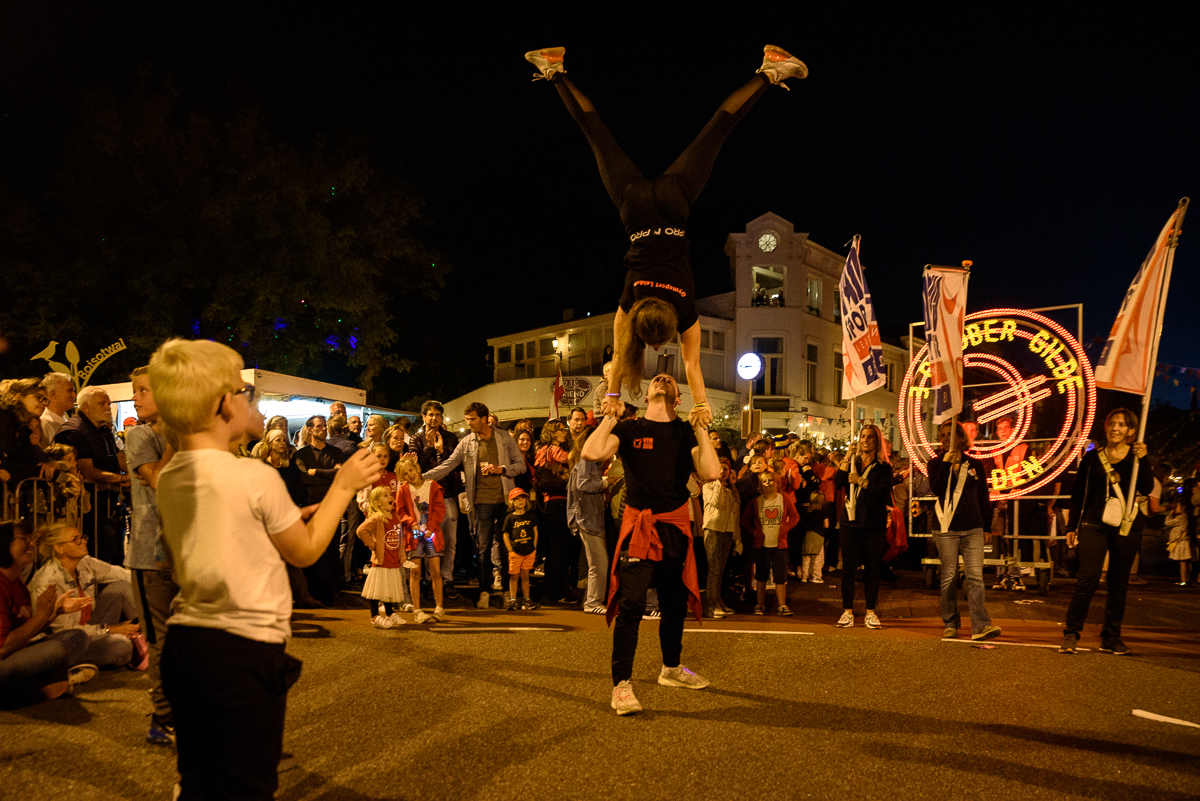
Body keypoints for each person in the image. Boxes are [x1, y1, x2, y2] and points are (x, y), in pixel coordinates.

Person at [527, 45, 807, 428]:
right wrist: (610, 395)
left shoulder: (686, 310)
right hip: (634, 208)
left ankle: (770, 71)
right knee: (595, 132)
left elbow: (691, 365)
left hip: (677, 204)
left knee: (718, 127)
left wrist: (701, 406)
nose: (660, 348)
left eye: (659, 345)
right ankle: (554, 69)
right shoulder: (631, 301)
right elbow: (626, 351)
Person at [151, 337, 380, 800]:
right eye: (244, 392)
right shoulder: (253, 475)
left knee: (200, 777)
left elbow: (195, 554)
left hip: (187, 643)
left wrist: (278, 524)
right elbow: (306, 552)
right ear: (222, 406)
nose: (252, 400)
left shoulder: (171, 476)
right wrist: (344, 485)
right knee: (247, 785)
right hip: (242, 651)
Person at [581, 372, 720, 716]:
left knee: (674, 604)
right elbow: (591, 451)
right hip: (639, 527)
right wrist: (610, 415)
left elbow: (712, 472)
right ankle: (621, 685)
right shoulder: (629, 428)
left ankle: (671, 669)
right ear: (645, 397)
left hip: (674, 527)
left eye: (670, 381)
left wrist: (701, 427)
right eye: (656, 379)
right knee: (632, 605)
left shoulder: (685, 431)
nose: (661, 379)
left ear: (677, 399)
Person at [1060, 408, 1153, 655]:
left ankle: (1111, 637)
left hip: (1127, 525)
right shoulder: (1092, 459)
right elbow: (1079, 493)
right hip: (1093, 524)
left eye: (1122, 425)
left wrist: (1145, 459)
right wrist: (1072, 526)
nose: (1115, 428)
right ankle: (1071, 633)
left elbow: (1146, 487)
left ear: (1131, 431)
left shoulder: (1137, 457)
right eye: (1112, 423)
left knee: (1118, 583)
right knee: (1087, 579)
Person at [124, 365, 180, 744]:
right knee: (161, 640)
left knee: (189, 637)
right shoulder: (139, 435)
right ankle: (163, 718)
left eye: (144, 390)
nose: (136, 397)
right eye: (135, 390)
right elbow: (158, 481)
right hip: (151, 553)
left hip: (187, 554)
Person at [423, 402, 524, 609]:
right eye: (467, 419)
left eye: (472, 419)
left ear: (485, 418)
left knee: (506, 549)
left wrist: (502, 469)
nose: (469, 423)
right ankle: (484, 591)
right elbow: (448, 464)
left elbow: (520, 465)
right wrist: (421, 478)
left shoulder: (504, 438)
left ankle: (506, 592)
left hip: (505, 500)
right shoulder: (467, 441)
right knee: (484, 548)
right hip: (481, 501)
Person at [0, 520, 97, 707]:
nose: (31, 544)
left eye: (31, 539)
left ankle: (42, 683)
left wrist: (55, 613)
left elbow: (26, 634)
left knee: (76, 637)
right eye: (24, 539)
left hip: (17, 653)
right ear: (4, 543)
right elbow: (3, 647)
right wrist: (41, 616)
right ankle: (38, 687)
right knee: (54, 651)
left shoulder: (18, 585)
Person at [28, 523, 144, 670]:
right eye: (76, 539)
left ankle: (148, 638)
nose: (83, 541)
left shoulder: (85, 563)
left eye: (82, 537)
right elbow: (66, 630)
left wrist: (155, 580)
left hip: (88, 625)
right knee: (121, 646)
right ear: (59, 548)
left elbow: (122, 574)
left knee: (121, 587)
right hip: (65, 640)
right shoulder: (48, 581)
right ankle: (66, 666)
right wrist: (109, 629)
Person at [928, 421, 1001, 642]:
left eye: (951, 434)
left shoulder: (975, 465)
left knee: (975, 577)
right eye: (943, 435)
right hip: (946, 527)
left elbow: (983, 497)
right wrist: (946, 465)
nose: (946, 438)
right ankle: (950, 622)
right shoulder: (935, 463)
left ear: (961, 438)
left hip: (973, 527)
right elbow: (937, 489)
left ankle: (980, 625)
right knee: (949, 577)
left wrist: (987, 527)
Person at [54, 386, 128, 563]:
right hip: (89, 505)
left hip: (109, 501)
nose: (107, 407)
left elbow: (119, 459)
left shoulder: (103, 430)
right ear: (85, 407)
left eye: (108, 404)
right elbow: (86, 470)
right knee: (97, 554)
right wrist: (122, 479)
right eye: (102, 403)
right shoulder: (73, 431)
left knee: (114, 554)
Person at [834, 424, 893, 629]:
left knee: (872, 569)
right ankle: (847, 611)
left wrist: (861, 481)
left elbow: (883, 491)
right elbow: (839, 482)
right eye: (862, 436)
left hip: (873, 523)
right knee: (848, 569)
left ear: (877, 442)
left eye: (869, 437)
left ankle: (870, 612)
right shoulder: (853, 462)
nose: (865, 440)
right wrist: (845, 458)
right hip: (850, 521)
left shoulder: (884, 467)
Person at [293, 415, 349, 605]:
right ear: (309, 429)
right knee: (311, 548)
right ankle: (312, 590)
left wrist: (316, 472)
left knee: (332, 549)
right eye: (318, 426)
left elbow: (340, 476)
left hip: (332, 506)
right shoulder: (301, 455)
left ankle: (334, 590)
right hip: (310, 506)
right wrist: (329, 474)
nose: (323, 429)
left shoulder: (336, 452)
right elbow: (303, 479)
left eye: (324, 426)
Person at [412, 402, 461, 599]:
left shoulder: (450, 437)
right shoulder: (416, 439)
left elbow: (454, 465)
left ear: (441, 417)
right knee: (425, 539)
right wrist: (430, 449)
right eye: (430, 415)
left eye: (437, 415)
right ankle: (427, 579)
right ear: (423, 417)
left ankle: (447, 578)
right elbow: (417, 468)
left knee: (450, 540)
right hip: (424, 497)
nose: (434, 418)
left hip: (447, 495)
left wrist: (442, 451)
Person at [741, 471, 799, 616]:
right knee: (761, 575)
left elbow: (795, 517)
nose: (768, 483)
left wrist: (785, 528)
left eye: (771, 480)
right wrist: (754, 532)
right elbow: (744, 520)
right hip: (762, 545)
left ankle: (782, 605)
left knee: (780, 576)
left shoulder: (783, 499)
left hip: (780, 545)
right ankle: (760, 604)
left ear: (777, 483)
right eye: (764, 481)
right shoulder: (756, 502)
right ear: (760, 485)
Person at [397, 459, 445, 623]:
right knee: (415, 573)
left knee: (435, 571)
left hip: (432, 533)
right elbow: (400, 511)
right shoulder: (403, 490)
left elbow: (439, 508)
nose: (409, 475)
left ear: (417, 468)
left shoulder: (433, 486)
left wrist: (431, 526)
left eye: (411, 470)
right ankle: (417, 609)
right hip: (414, 534)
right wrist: (413, 523)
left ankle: (439, 607)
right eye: (405, 473)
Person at [535, 418, 577, 605]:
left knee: (552, 550)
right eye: (561, 429)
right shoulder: (555, 450)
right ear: (552, 432)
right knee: (560, 550)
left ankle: (551, 590)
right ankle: (556, 591)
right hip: (560, 502)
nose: (564, 432)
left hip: (547, 503)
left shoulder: (541, 451)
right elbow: (573, 460)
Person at [568, 426, 608, 614]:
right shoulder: (588, 459)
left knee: (596, 563)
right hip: (587, 517)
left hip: (588, 516)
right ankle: (592, 602)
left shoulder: (587, 459)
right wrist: (605, 482)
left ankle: (591, 600)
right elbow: (583, 484)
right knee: (599, 563)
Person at [356, 487, 406, 629]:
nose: (390, 497)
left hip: (392, 560)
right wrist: (373, 545)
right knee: (377, 589)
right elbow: (361, 530)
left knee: (388, 588)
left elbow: (400, 537)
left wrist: (402, 553)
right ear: (377, 503)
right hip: (381, 561)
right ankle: (374, 616)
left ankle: (389, 613)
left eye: (390, 494)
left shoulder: (395, 517)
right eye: (385, 496)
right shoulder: (377, 518)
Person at [701, 459, 739, 618]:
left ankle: (718, 601)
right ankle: (711, 605)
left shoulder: (731, 489)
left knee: (720, 570)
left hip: (727, 531)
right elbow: (717, 503)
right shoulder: (708, 486)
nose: (723, 473)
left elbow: (735, 514)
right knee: (714, 570)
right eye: (720, 469)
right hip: (714, 529)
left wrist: (737, 537)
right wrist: (717, 483)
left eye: (726, 470)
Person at [501, 488, 539, 611]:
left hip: (529, 551)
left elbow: (535, 531)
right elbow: (505, 534)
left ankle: (526, 599)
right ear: (512, 502)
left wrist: (534, 546)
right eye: (517, 499)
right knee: (514, 576)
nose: (520, 501)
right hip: (516, 552)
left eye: (522, 498)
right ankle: (513, 599)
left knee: (526, 575)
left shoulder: (531, 515)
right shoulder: (510, 518)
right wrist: (510, 550)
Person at [39, 372, 76, 445]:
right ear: (54, 394)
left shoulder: (63, 418)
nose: (74, 395)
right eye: (69, 391)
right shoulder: (45, 425)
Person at [800, 491, 827, 583]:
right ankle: (815, 576)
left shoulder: (807, 511)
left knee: (806, 557)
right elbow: (826, 525)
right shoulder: (823, 511)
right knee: (817, 558)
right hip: (818, 536)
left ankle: (804, 576)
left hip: (807, 535)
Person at [1165, 498, 1192, 586]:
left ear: (1183, 508)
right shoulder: (1184, 516)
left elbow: (1168, 523)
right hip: (1183, 541)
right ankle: (1187, 579)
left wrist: (1169, 514)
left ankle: (1184, 580)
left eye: (1177, 507)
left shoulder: (1181, 517)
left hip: (1181, 542)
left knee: (1183, 562)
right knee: (1186, 561)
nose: (1175, 509)